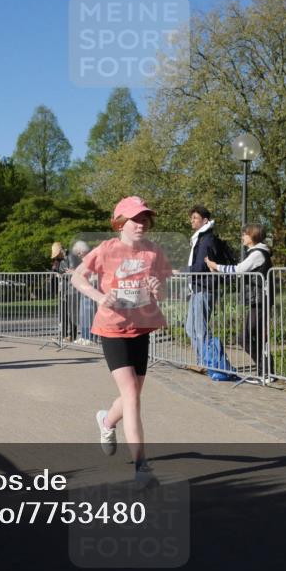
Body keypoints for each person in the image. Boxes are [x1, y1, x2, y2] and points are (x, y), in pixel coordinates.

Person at [71, 196, 172, 488]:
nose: (141, 224)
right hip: (112, 329)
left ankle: (106, 420)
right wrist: (102, 298)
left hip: (140, 329)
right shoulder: (106, 250)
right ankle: (142, 468)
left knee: (133, 395)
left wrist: (157, 289)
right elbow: (78, 278)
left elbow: (163, 292)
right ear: (120, 223)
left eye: (145, 219)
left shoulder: (153, 252)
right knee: (131, 395)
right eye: (135, 219)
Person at [206, 223, 272, 371]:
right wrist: (218, 271)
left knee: (245, 337)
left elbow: (238, 269)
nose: (242, 237)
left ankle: (266, 369)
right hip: (258, 300)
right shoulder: (256, 252)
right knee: (251, 337)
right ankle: (265, 370)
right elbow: (239, 273)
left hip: (261, 300)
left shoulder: (258, 254)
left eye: (244, 234)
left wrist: (216, 266)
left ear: (253, 235)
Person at [184, 206, 224, 358]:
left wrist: (182, 271)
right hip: (197, 288)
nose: (191, 220)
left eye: (195, 218)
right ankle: (202, 359)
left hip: (204, 287)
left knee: (200, 330)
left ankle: (209, 361)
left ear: (205, 220)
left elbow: (200, 266)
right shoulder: (199, 238)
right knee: (190, 328)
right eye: (192, 217)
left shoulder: (206, 240)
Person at [71, 240, 96, 346]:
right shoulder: (84, 260)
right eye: (78, 253)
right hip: (84, 290)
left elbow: (93, 274)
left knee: (89, 314)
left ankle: (90, 337)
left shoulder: (91, 259)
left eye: (80, 252)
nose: (79, 255)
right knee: (83, 315)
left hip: (91, 288)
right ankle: (84, 336)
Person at [52, 242, 77, 343]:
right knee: (63, 313)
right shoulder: (60, 260)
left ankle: (71, 335)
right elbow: (60, 272)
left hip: (72, 290)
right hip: (64, 289)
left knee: (71, 314)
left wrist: (66, 274)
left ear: (61, 250)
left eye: (57, 253)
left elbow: (74, 272)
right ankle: (62, 335)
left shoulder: (71, 256)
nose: (57, 256)